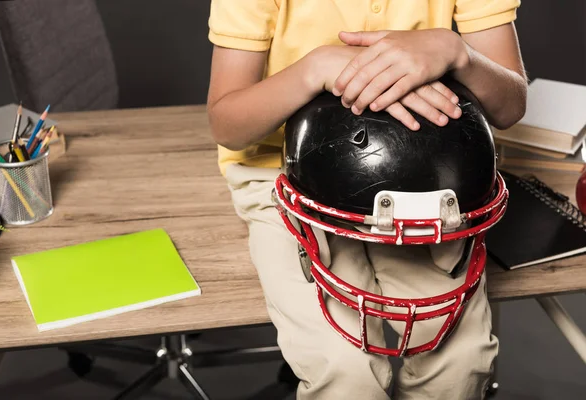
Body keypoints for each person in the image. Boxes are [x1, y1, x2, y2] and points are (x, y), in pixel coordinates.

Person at [206, 1, 528, 399]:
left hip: (422, 176)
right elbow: (228, 125)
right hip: (285, 175)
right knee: (345, 371)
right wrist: (315, 68)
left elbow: (510, 106)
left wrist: (457, 52)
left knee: (462, 362)